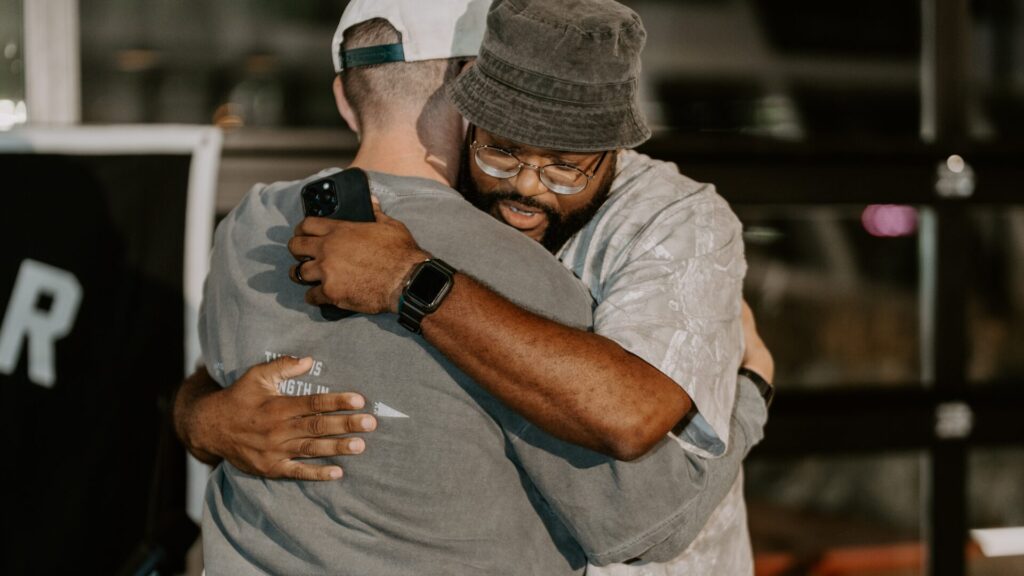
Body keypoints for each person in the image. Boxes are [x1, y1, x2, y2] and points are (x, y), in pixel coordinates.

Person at [186, 0, 769, 573]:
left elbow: (630, 423)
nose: (527, 189)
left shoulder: (250, 221)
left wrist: (408, 278)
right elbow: (646, 518)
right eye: (503, 150)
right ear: (476, 97)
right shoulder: (512, 273)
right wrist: (206, 419)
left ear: (344, 96)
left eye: (565, 165)